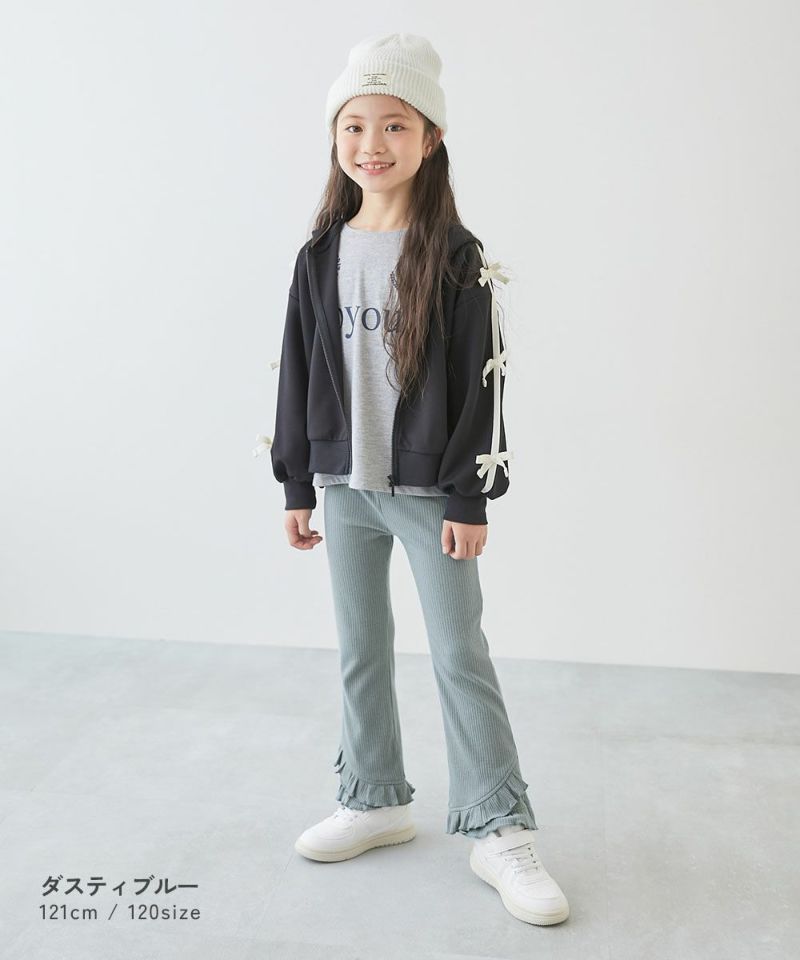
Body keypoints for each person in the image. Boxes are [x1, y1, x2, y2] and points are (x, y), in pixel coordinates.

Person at [267, 32, 569, 927]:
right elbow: (295, 370)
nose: (372, 143)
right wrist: (296, 483)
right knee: (360, 650)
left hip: (434, 494)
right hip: (345, 489)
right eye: (354, 125)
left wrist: (471, 494)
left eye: (394, 125)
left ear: (430, 138)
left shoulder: (455, 254)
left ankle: (499, 825)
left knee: (458, 654)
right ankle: (373, 797)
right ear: (335, 137)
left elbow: (485, 378)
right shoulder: (320, 254)